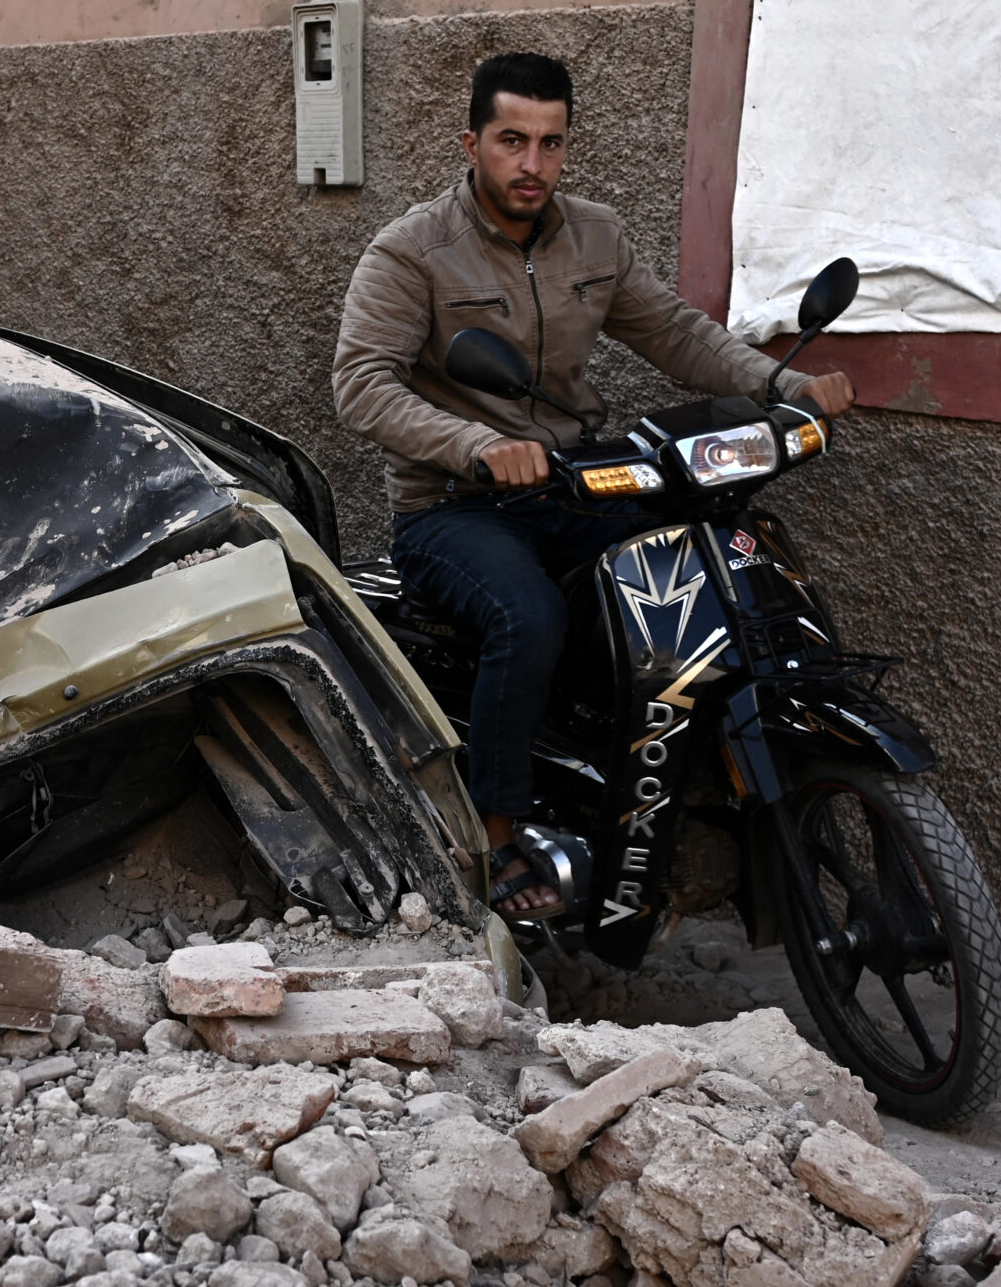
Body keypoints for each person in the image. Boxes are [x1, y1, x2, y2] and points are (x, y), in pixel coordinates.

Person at [331, 52, 854, 918]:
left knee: (698, 568)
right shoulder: (412, 252)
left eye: (550, 143)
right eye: (511, 141)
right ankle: (498, 837)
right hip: (454, 508)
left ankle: (666, 787)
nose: (531, 164)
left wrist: (782, 385)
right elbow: (362, 384)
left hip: (578, 486)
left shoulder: (596, 237)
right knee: (525, 614)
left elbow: (676, 333)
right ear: (472, 143)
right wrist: (474, 446)